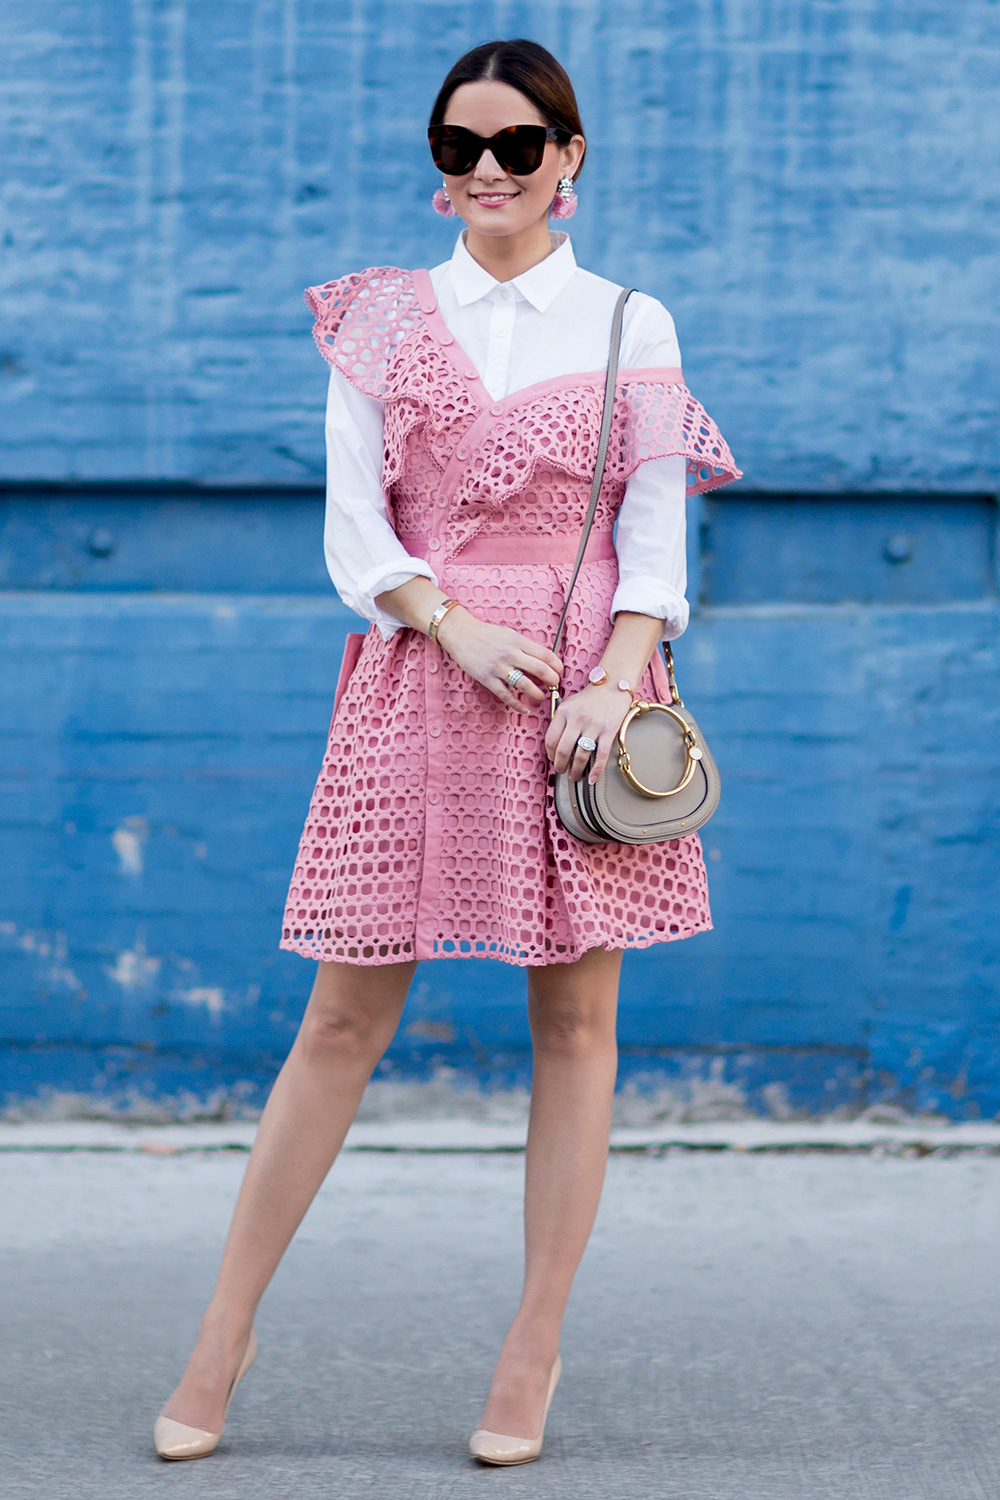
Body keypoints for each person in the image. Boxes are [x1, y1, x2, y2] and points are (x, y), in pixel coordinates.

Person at [154, 37, 740, 1467]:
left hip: (579, 706)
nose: (487, 170)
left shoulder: (626, 321)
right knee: (341, 1021)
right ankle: (222, 1334)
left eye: (518, 146)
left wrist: (613, 679)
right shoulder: (382, 316)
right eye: (461, 146)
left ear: (569, 160)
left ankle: (532, 1346)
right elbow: (355, 520)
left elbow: (653, 536)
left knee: (576, 1028)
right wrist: (448, 624)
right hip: (423, 675)